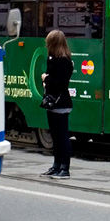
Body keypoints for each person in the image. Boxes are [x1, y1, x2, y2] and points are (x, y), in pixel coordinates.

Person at [39, 29, 74, 178]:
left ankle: (64, 168)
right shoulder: (53, 58)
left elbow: (61, 83)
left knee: (62, 136)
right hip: (53, 103)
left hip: (61, 103)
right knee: (55, 136)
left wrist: (45, 79)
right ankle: (56, 165)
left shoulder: (63, 61)